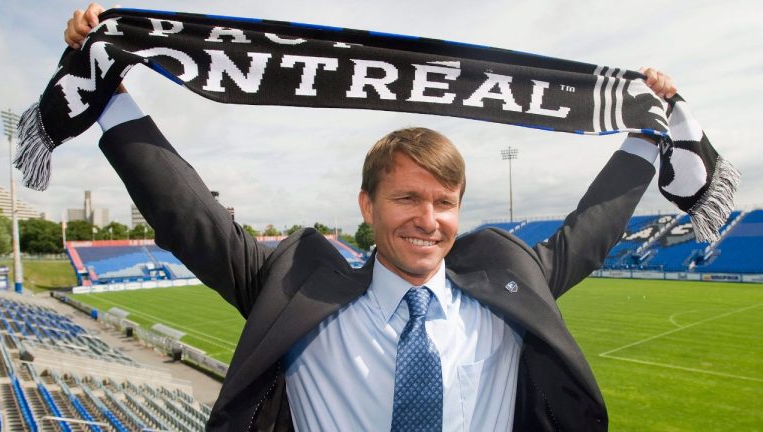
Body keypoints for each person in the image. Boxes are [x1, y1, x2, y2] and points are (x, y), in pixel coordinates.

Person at [67, 4, 676, 431]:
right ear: (368, 205)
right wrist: (109, 86)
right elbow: (189, 217)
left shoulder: (508, 285)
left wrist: (650, 132)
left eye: (444, 202)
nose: (427, 219)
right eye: (407, 198)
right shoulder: (295, 290)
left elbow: (589, 232)